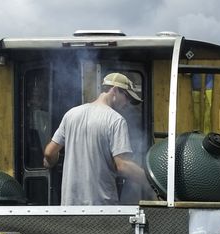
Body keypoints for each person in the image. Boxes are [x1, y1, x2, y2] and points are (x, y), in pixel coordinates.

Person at [43, 72, 148, 205]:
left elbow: (49, 152)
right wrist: (149, 181)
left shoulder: (71, 114)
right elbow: (123, 166)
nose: (127, 103)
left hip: (70, 206)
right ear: (114, 90)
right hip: (101, 207)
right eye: (126, 96)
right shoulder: (116, 120)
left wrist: (51, 162)